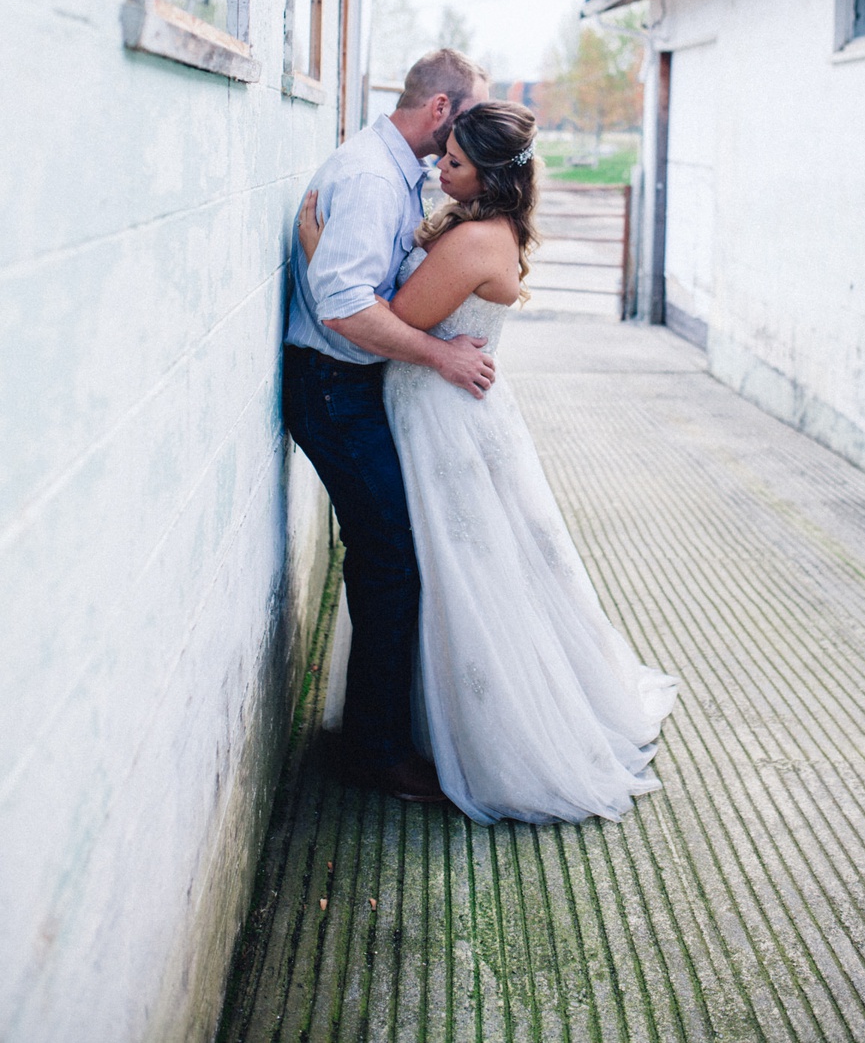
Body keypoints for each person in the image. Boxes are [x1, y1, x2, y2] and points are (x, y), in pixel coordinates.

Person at [300, 100, 678, 824]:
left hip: (442, 421)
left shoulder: (474, 241)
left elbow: (394, 319)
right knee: (453, 570)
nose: (438, 168)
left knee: (464, 571)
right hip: (437, 407)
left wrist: (323, 251)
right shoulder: (478, 228)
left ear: (491, 178)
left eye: (455, 163)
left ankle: (493, 738)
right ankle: (416, 725)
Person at [282, 50, 491, 805]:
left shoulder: (398, 173)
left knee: (389, 555)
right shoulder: (374, 179)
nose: (468, 143)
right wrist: (440, 355)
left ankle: (374, 732)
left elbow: (356, 285)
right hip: (333, 390)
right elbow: (342, 307)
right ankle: (374, 751)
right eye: (467, 121)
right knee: (392, 560)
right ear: (441, 111)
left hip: (352, 385)